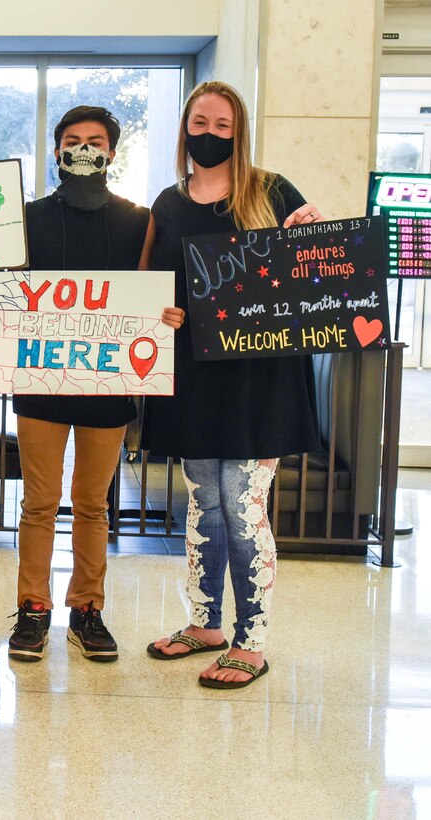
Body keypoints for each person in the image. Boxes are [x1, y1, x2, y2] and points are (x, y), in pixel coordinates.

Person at [140, 81, 322, 689]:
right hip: (193, 374)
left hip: (260, 377)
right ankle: (205, 625)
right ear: (184, 128)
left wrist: (315, 234)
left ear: (239, 133)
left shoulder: (270, 191)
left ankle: (253, 641)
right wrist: (160, 312)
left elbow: (312, 271)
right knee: (205, 502)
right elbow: (154, 288)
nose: (210, 134)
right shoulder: (166, 202)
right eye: (200, 122)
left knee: (245, 506)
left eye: (223, 126)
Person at [7, 105, 175, 664]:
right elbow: (6, 287)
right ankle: (33, 609)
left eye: (95, 141)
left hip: (108, 383)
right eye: (73, 140)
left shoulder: (137, 220)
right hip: (38, 378)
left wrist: (164, 316)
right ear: (56, 151)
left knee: (92, 505)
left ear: (111, 151)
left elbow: (151, 287)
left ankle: (87, 608)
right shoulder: (25, 218)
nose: (83, 149)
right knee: (38, 502)